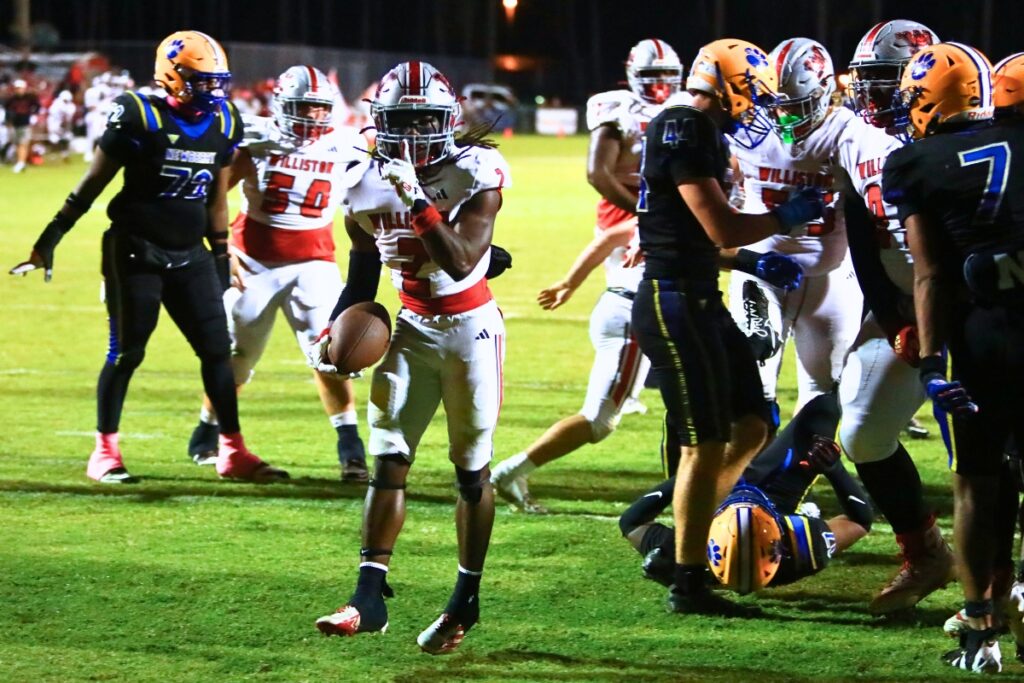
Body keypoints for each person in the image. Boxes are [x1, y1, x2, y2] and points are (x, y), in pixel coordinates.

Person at [9, 30, 288, 485]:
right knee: (126, 353)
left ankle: (232, 450)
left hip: (191, 254)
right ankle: (104, 451)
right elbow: (93, 183)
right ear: (172, 76)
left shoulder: (224, 120)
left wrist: (221, 256)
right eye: (202, 80)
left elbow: (216, 198)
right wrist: (50, 238)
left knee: (218, 352)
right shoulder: (139, 114)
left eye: (216, 81)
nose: (212, 90)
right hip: (136, 250)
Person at [312, 61, 512, 654]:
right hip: (412, 327)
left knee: (470, 471)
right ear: (381, 121)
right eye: (403, 120)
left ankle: (465, 598)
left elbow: (461, 261)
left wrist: (417, 201)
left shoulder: (476, 170)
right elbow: (363, 273)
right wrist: (334, 331)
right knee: (389, 460)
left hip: (471, 334)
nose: (416, 132)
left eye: (426, 119)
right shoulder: (361, 178)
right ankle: (368, 597)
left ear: (448, 119)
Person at [631, 37, 824, 615]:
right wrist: (783, 216)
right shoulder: (685, 127)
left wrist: (748, 262)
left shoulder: (697, 130)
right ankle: (688, 580)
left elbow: (697, 238)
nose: (757, 106)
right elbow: (719, 227)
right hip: (674, 303)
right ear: (733, 87)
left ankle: (688, 540)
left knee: (752, 424)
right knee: (705, 441)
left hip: (698, 296)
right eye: (754, 93)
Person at [489, 38, 684, 513]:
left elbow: (609, 239)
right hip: (634, 311)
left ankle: (690, 487)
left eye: (666, 78)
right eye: (651, 77)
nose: (660, 87)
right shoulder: (657, 199)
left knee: (691, 398)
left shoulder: (660, 205)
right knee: (600, 421)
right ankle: (510, 471)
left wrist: (568, 284)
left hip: (627, 300)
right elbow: (600, 180)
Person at [883, 41, 1024, 673]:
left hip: (980, 336)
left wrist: (931, 358)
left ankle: (979, 628)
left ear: (931, 99)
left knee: (975, 483)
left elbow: (931, 273)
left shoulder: (915, 162)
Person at [184, 65, 370, 482]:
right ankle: (207, 430)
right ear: (282, 106)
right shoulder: (257, 138)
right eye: (303, 106)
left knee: (331, 355)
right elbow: (210, 197)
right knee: (237, 356)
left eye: (319, 108)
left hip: (315, 263)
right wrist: (221, 249)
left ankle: (350, 447)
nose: (312, 116)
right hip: (253, 262)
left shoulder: (349, 145)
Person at [836, 20, 957, 615]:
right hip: (909, 306)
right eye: (868, 80)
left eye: (887, 80)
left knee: (991, 449)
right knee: (863, 432)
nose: (872, 93)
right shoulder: (857, 138)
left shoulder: (963, 137)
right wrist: (892, 316)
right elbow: (863, 239)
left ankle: (999, 584)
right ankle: (926, 552)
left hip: (979, 306)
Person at [727, 38, 863, 425]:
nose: (784, 115)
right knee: (752, 388)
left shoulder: (849, 132)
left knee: (824, 393)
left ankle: (794, 466)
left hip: (831, 276)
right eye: (777, 104)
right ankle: (750, 465)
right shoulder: (749, 127)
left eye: (796, 105)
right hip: (759, 267)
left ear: (824, 92)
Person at [621, 391, 872, 592]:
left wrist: (693, 472)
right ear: (778, 541)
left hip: (715, 492)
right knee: (823, 409)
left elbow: (631, 522)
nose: (745, 503)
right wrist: (834, 469)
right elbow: (860, 521)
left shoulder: (685, 553)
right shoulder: (803, 547)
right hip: (776, 496)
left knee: (691, 408)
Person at [5, 79, 39, 173]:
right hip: (15, 124)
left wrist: (34, 115)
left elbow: (37, 107)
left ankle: (21, 162)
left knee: (23, 143)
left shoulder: (29, 98)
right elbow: (8, 111)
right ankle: (20, 162)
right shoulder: (11, 99)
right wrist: (9, 123)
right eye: (17, 88)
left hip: (25, 124)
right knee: (17, 144)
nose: (19, 90)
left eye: (20, 88)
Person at [46, 89, 76, 163]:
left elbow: (68, 118)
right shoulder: (56, 103)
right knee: (54, 139)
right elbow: (52, 114)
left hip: (64, 125)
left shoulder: (71, 106)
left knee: (66, 138)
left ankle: (64, 154)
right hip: (54, 124)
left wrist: (65, 124)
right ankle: (53, 155)